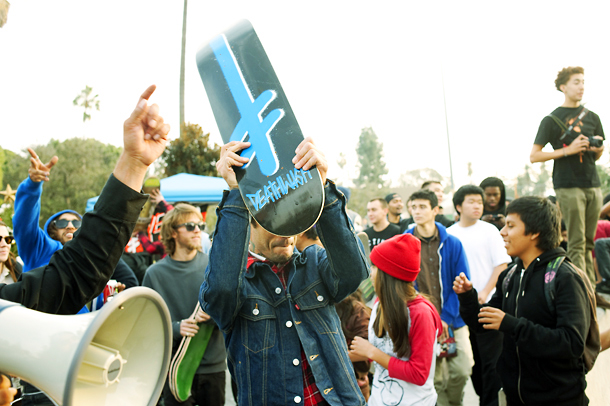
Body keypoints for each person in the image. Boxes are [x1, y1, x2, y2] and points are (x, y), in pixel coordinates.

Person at [0, 84, 170, 405]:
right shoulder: (38, 248)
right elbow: (24, 223)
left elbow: (83, 267)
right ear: (51, 229)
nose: (70, 227)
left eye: (76, 223)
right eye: (62, 223)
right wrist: (32, 186)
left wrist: (134, 164)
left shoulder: (76, 258)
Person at [199, 138, 369, 406]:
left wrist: (321, 187)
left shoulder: (314, 263)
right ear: (250, 224)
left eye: (292, 219)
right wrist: (235, 192)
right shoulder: (239, 284)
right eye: (273, 221)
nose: (286, 232)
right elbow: (220, 290)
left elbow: (354, 270)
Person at [454, 196, 593, 406]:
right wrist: (467, 297)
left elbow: (571, 344)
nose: (503, 232)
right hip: (516, 398)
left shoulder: (564, 277)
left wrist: (512, 325)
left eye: (511, 226)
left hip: (559, 399)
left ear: (535, 232)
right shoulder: (510, 275)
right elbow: (481, 323)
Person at [143, 204, 226, 406]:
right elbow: (145, 325)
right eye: (190, 226)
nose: (197, 230)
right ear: (172, 232)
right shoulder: (154, 274)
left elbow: (233, 311)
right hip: (174, 368)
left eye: (200, 225)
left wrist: (215, 316)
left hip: (213, 366)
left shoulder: (215, 266)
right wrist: (176, 328)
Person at [530, 66, 605, 285]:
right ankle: (582, 290)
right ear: (563, 87)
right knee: (576, 241)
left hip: (593, 182)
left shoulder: (593, 117)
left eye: (583, 82)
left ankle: (591, 288)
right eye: (576, 82)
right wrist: (567, 150)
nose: (581, 86)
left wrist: (596, 149)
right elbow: (534, 156)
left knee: (589, 241)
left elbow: (598, 155)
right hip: (567, 184)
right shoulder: (551, 119)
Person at [349, 234, 442, 406]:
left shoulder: (420, 314)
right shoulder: (379, 304)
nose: (370, 273)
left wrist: (372, 353)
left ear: (389, 275)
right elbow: (385, 351)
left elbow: (419, 374)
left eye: (375, 267)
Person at [403, 189, 472, 406]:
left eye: (422, 207)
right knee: (436, 378)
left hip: (453, 320)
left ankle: (455, 403)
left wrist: (445, 319)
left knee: (462, 370)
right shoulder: (403, 242)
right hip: (422, 322)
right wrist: (431, 321)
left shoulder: (453, 243)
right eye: (413, 207)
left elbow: (461, 284)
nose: (417, 211)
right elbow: (404, 287)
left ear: (435, 210)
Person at [448, 185, 509, 406]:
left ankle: (490, 401)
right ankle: (484, 397)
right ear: (458, 206)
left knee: (492, 364)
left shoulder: (490, 230)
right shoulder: (450, 234)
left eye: (479, 202)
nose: (477, 206)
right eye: (471, 202)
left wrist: (483, 293)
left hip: (489, 306)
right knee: (473, 365)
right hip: (461, 310)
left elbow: (501, 264)